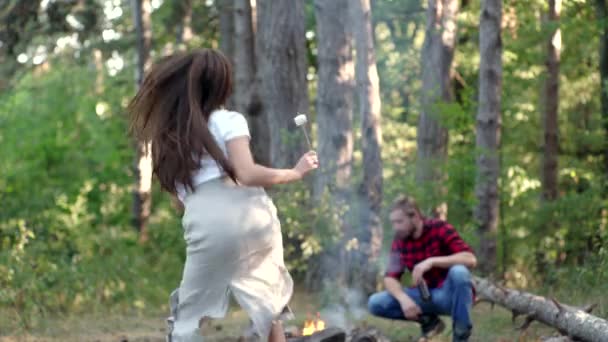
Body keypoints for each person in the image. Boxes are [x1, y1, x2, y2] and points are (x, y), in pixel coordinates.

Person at [128, 49, 319, 342]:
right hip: (255, 217)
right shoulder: (228, 120)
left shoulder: (169, 138)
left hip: (208, 221)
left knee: (188, 317)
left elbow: (180, 203)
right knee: (269, 306)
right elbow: (247, 173)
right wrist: (295, 172)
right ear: (221, 84)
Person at [367, 195, 477, 342]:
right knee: (375, 302)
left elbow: (470, 259)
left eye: (399, 221)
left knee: (459, 272)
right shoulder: (400, 240)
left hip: (451, 296)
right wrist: (403, 299)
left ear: (415, 216)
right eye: (393, 223)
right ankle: (430, 323)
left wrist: (431, 261)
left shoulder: (440, 228)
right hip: (424, 296)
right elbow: (390, 277)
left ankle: (461, 336)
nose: (396, 227)